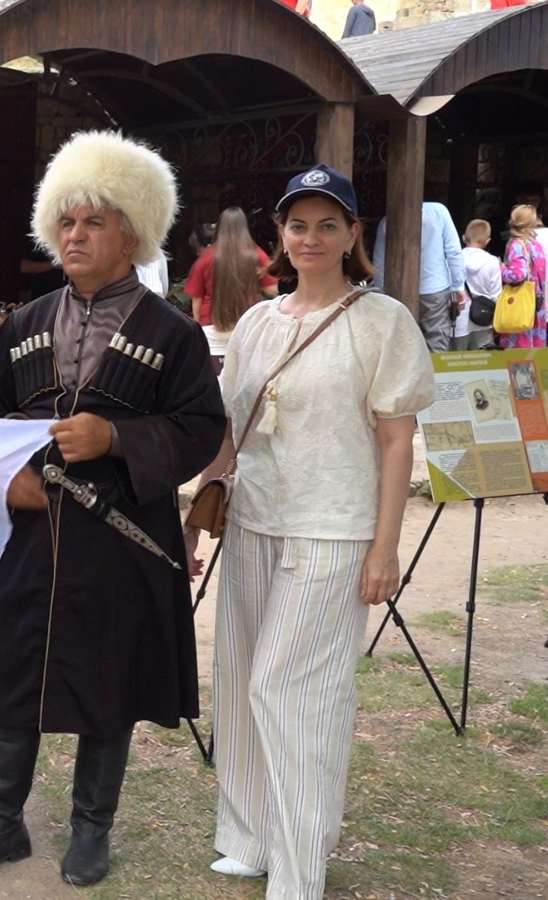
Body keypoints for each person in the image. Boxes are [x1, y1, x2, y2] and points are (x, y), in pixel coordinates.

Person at [0, 131, 225, 888]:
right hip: (31, 534)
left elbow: (202, 428)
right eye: (65, 221)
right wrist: (4, 476)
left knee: (110, 684)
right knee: (12, 678)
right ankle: (0, 825)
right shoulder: (24, 323)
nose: (74, 235)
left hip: (121, 540)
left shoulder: (172, 333)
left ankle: (91, 830)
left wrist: (117, 437)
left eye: (93, 222)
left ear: (131, 235)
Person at [186, 163, 435, 898]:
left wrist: (385, 547)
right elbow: (229, 434)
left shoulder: (382, 321)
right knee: (240, 681)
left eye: (329, 224)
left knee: (293, 689)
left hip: (334, 529)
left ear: (354, 233)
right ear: (280, 234)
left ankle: (300, 867)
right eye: (299, 225)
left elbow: (396, 440)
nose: (312, 237)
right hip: (255, 520)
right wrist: (196, 518)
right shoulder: (258, 323)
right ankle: (248, 836)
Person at [185, 207, 279, 369]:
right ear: (244, 227)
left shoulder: (205, 257)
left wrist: (198, 329)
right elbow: (272, 290)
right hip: (247, 329)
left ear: (220, 228)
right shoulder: (256, 254)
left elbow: (197, 300)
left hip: (212, 330)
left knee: (215, 381)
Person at [372, 201, 467, 351]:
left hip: (399, 291)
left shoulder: (387, 221)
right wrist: (458, 285)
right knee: (436, 343)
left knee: (403, 344)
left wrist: (384, 295)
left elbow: (379, 265)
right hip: (435, 288)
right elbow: (453, 251)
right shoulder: (439, 211)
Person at [496, 204, 547, 350]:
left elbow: (518, 274)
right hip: (537, 304)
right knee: (535, 353)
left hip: (521, 304)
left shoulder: (517, 245)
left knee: (518, 354)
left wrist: (501, 269)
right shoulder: (537, 245)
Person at [458, 219, 501, 350]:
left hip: (459, 318)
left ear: (464, 238)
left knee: (456, 358)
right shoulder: (492, 261)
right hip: (484, 318)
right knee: (484, 358)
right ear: (487, 241)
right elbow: (496, 294)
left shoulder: (455, 259)